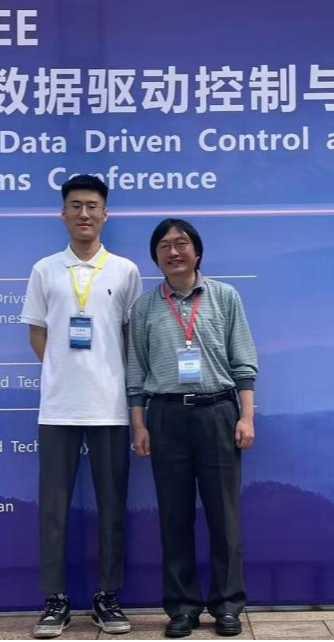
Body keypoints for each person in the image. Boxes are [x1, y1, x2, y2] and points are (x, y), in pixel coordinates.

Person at [20, 174, 143, 638]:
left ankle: (107, 597)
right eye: (75, 205)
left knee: (113, 506)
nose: (84, 213)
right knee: (53, 507)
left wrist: (108, 376)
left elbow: (131, 337)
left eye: (92, 206)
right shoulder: (44, 269)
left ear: (105, 214)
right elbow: (37, 333)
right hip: (57, 408)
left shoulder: (126, 271)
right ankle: (55, 599)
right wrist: (63, 370)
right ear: (63, 213)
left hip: (110, 407)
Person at [127, 218, 258, 638]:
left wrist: (246, 416)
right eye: (164, 246)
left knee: (225, 517)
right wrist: (139, 425)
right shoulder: (144, 308)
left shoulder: (225, 296)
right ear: (156, 258)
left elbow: (243, 362)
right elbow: (136, 373)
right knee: (174, 517)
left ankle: (227, 606)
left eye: (181, 243)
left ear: (197, 252)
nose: (173, 251)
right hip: (165, 416)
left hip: (218, 412)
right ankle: (182, 608)